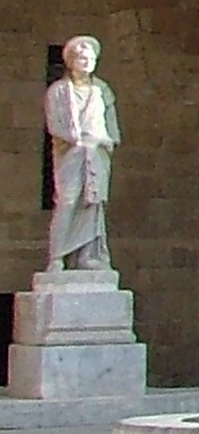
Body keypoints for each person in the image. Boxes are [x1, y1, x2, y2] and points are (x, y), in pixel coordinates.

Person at [43, 35, 120, 272]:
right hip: (71, 152)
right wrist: (74, 139)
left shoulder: (102, 90)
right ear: (71, 61)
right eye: (82, 58)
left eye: (91, 59)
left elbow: (110, 122)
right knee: (68, 201)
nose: (87, 62)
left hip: (97, 153)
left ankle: (89, 255)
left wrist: (109, 140)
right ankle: (57, 257)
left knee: (93, 203)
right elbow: (54, 124)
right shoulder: (58, 91)